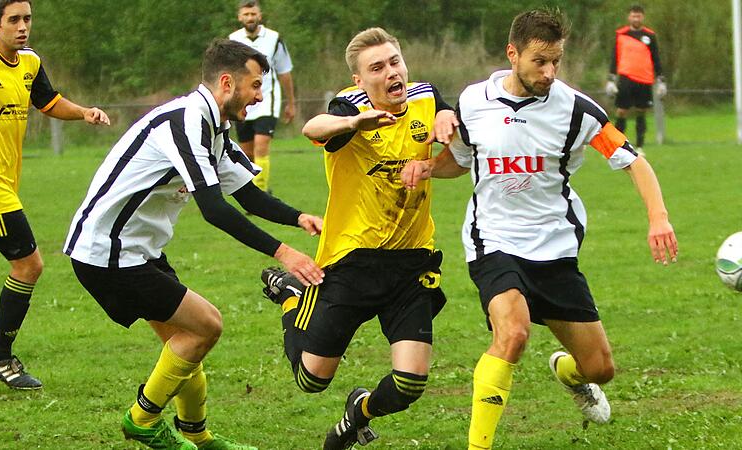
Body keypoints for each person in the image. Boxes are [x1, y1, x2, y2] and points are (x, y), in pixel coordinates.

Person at [400, 9, 678, 449]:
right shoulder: (473, 102)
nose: (549, 72)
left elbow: (634, 161)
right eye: (539, 62)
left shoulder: (576, 110)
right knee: (513, 333)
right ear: (513, 54)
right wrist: (428, 168)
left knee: (600, 368)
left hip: (555, 248)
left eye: (556, 61)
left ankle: (569, 374)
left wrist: (658, 217)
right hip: (494, 240)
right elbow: (461, 159)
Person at [64, 39, 324, 450]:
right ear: (226, 81)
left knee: (185, 341)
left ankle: (198, 438)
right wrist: (283, 252)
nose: (260, 96)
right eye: (255, 85)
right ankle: (142, 421)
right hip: (107, 253)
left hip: (137, 252)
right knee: (206, 325)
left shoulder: (214, 128)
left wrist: (299, 218)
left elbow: (250, 196)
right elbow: (214, 209)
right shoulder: (185, 121)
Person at [259, 27, 458, 450]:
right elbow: (315, 127)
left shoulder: (423, 97)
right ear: (359, 81)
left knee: (409, 383)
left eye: (394, 62)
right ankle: (293, 295)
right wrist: (353, 121)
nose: (391, 72)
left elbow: (447, 122)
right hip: (351, 261)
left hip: (412, 262)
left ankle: (357, 415)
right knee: (311, 380)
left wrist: (446, 115)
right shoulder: (350, 108)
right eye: (377, 68)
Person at [0, 0, 110, 390]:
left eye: (27, 19)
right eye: (14, 20)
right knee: (29, 266)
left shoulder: (30, 62)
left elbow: (48, 102)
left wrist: (84, 112)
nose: (22, 27)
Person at [229, 0, 296, 193]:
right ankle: (254, 187)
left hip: (267, 100)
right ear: (240, 17)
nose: (250, 18)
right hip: (243, 102)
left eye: (253, 14)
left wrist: (290, 103)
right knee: (247, 151)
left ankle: (260, 190)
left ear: (260, 15)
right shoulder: (233, 40)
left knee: (261, 145)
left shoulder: (274, 39)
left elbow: (284, 72)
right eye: (246, 14)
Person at [605, 4, 666, 154]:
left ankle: (639, 146)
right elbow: (615, 57)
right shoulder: (621, 34)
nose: (636, 18)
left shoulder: (650, 36)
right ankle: (618, 146)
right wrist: (611, 78)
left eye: (638, 16)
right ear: (629, 17)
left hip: (644, 79)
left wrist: (661, 80)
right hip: (626, 77)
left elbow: (656, 58)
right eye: (633, 15)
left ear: (642, 17)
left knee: (641, 111)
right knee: (621, 111)